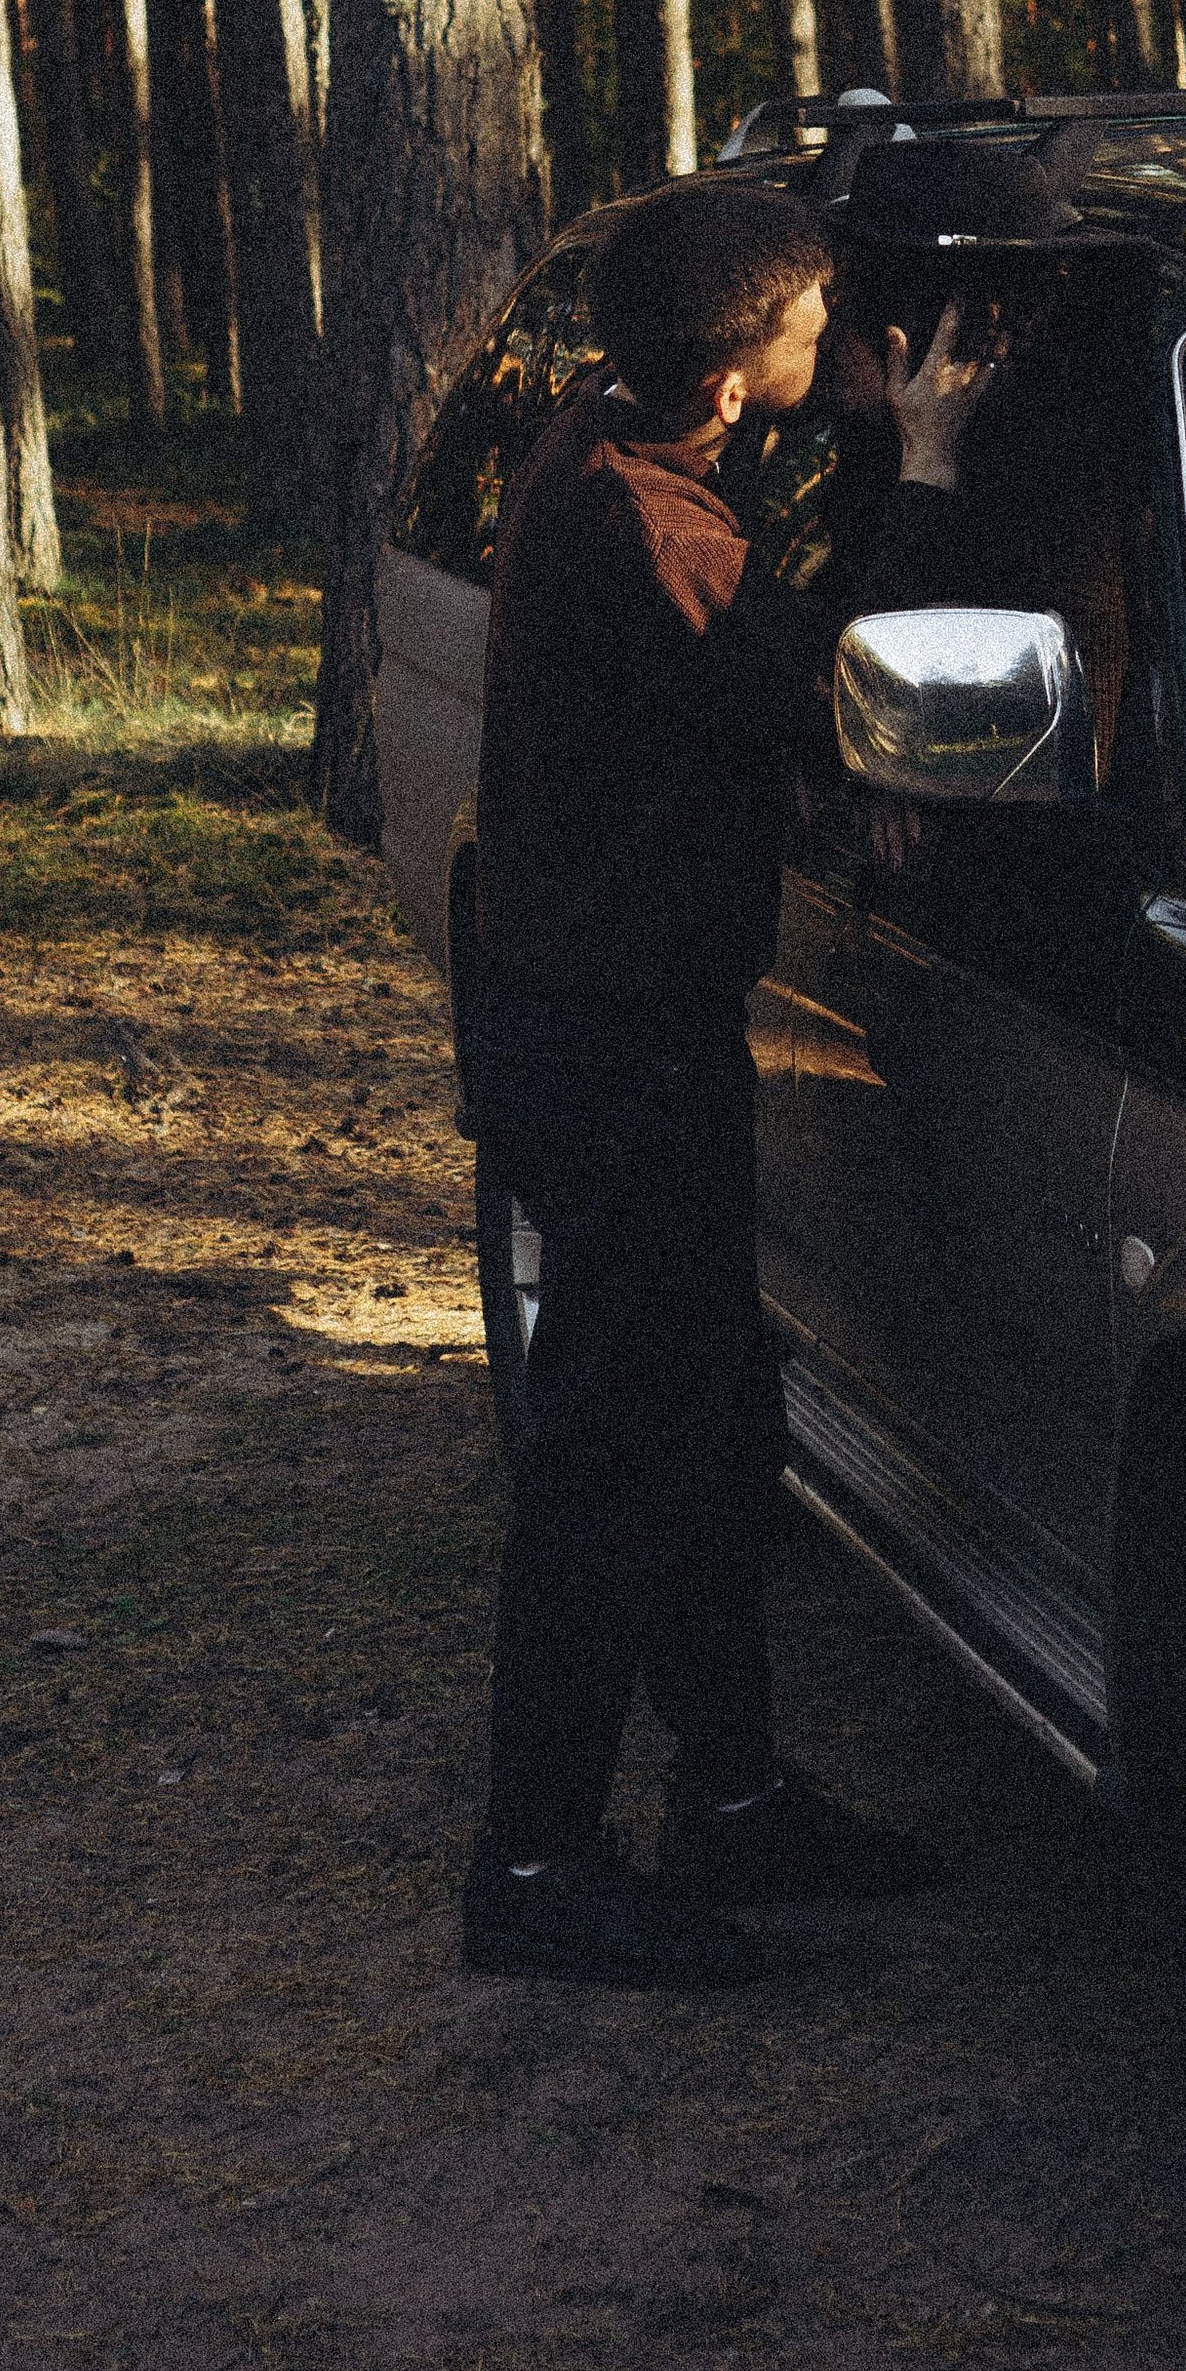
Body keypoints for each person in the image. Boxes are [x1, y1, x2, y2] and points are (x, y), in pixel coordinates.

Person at [462, 178, 1001, 1990]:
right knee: (610, 1460)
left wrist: (845, 420)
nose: (836, 341)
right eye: (812, 326)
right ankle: (532, 1866)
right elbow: (853, 683)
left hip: (611, 1020)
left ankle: (734, 1797)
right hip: (608, 1044)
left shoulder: (609, 441)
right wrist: (929, 465)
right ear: (725, 378)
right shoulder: (648, 527)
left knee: (702, 1426)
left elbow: (728, 669)